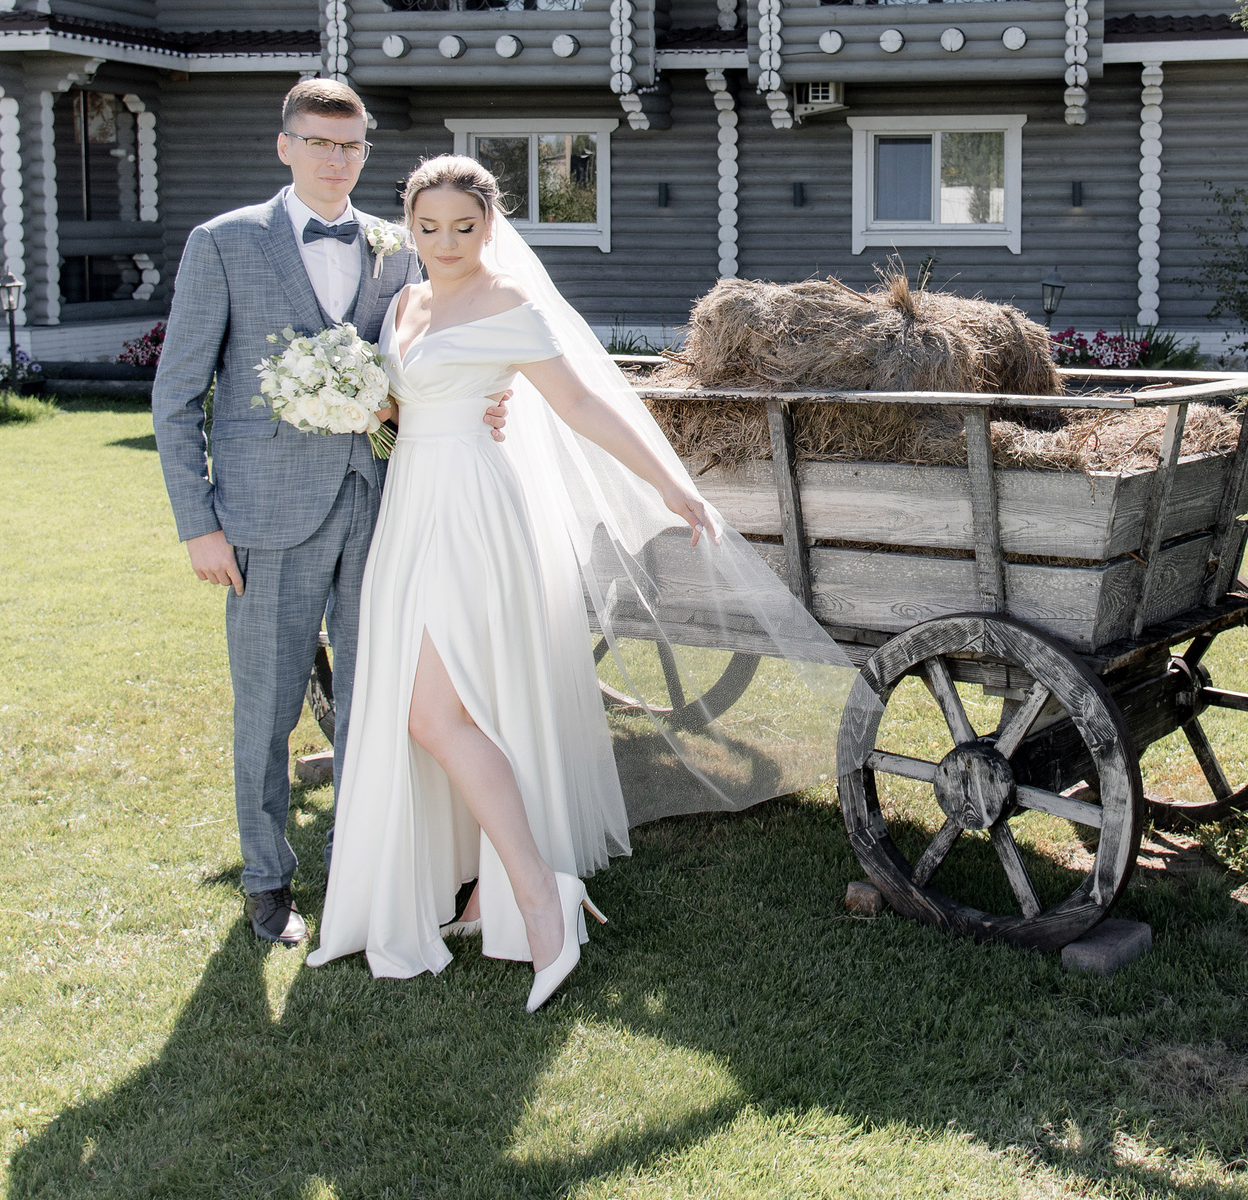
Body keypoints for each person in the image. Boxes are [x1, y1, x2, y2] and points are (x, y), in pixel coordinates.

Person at [309, 153, 850, 1010]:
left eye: (464, 226)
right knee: (447, 710)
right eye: (429, 227)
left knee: (431, 714)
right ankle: (487, 892)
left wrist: (669, 481)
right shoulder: (406, 301)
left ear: (491, 225)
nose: (446, 242)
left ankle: (537, 896)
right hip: (409, 511)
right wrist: (374, 405)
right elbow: (408, 402)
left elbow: (583, 405)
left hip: (472, 514)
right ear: (408, 227)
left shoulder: (508, 303)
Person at [151, 81, 508, 947]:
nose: (334, 159)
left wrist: (480, 400)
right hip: (265, 520)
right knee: (266, 709)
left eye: (350, 147)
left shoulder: (398, 247)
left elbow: (426, 354)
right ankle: (268, 881)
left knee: (375, 705)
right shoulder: (224, 244)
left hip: (384, 509)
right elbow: (177, 394)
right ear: (286, 147)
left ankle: (363, 868)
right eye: (317, 142)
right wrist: (199, 525)